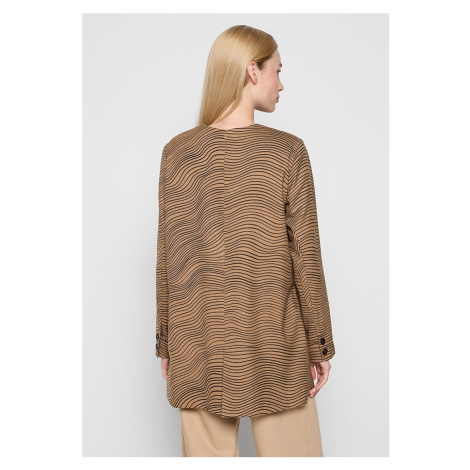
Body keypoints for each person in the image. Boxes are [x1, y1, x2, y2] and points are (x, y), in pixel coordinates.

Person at [155, 25, 336, 457]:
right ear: (252, 71)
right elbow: (305, 257)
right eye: (277, 70)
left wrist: (167, 340)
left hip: (195, 342)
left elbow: (169, 257)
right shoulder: (288, 151)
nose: (281, 83)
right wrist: (320, 344)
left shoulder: (176, 152)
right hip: (276, 342)